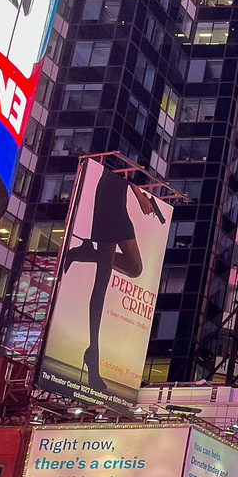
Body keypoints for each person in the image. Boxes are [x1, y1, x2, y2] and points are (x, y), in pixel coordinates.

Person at [59, 167, 160, 393]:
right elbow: (122, 167)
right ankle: (93, 356)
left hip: (116, 199)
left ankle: (85, 253)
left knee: (135, 268)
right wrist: (139, 195)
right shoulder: (122, 139)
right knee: (101, 282)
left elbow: (130, 170)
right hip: (109, 195)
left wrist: (139, 193)